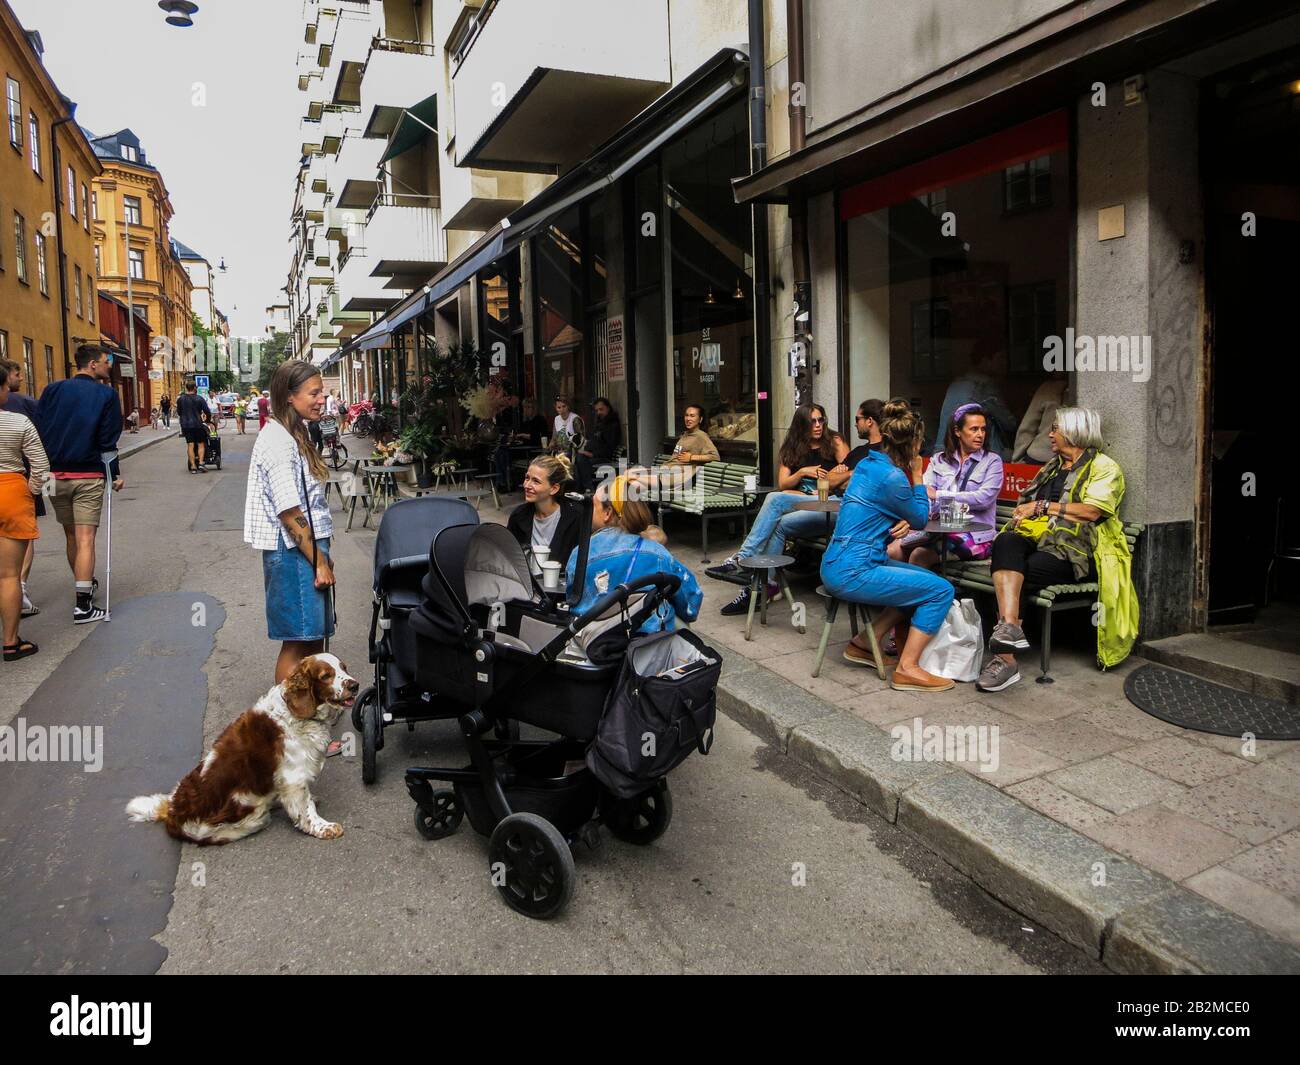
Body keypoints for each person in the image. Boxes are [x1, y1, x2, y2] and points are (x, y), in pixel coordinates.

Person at [977, 407, 1137, 693]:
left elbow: (1091, 512)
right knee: (1006, 544)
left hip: (1078, 552)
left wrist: (1042, 506)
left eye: (1055, 429)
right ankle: (1010, 630)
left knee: (1018, 571)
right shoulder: (1052, 467)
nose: (1049, 434)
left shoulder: (1104, 468)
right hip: (1042, 541)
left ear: (1074, 432)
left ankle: (1005, 658)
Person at [821, 400, 955, 690]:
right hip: (855, 569)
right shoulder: (893, 477)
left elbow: (887, 509)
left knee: (923, 583)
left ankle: (864, 643)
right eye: (920, 443)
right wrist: (918, 475)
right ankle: (908, 668)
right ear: (912, 444)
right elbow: (919, 518)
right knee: (940, 590)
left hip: (840, 560)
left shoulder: (869, 463)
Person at [243, 360, 336, 693]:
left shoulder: (291, 433)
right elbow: (289, 512)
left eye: (322, 392)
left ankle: (308, 723)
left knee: (311, 640)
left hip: (303, 550)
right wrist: (319, 561)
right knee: (298, 643)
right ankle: (294, 728)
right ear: (289, 396)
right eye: (314, 393)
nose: (322, 399)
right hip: (295, 551)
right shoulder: (280, 443)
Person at [706, 403, 848, 616]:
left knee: (774, 500)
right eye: (813, 421)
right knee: (778, 520)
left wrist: (827, 483)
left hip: (833, 506)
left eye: (821, 420)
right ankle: (768, 584)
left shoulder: (835, 442)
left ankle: (745, 561)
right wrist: (802, 473)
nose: (818, 425)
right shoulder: (792, 446)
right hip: (804, 504)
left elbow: (849, 477)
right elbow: (784, 483)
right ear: (801, 424)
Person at [35, 344, 123, 625]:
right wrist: (114, 475)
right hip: (87, 475)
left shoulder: (52, 390)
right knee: (86, 539)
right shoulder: (106, 395)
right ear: (93, 364)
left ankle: (84, 583)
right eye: (105, 361)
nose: (109, 366)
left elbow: (40, 427)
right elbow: (107, 440)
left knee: (71, 536)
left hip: (54, 475)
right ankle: (83, 605)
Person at [565, 474, 702, 633]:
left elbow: (573, 600)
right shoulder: (658, 553)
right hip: (648, 643)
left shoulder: (580, 553)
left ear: (608, 512)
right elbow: (691, 601)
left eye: (593, 505)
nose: (588, 511)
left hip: (595, 642)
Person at [890, 402, 1003, 570]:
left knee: (919, 555)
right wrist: (922, 512)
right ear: (957, 431)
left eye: (983, 429)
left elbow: (984, 499)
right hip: (937, 533)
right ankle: (897, 595)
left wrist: (939, 495)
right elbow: (926, 493)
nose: (980, 434)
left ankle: (932, 596)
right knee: (892, 550)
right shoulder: (939, 460)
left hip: (976, 537)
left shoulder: (992, 461)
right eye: (974, 429)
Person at [0, 363, 49, 660]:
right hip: (10, 491)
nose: (9, 390)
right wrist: (29, 490)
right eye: (6, 386)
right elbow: (41, 466)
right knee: (8, 575)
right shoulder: (19, 422)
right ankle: (10, 642)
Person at [931, 338, 1017, 457]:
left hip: (943, 451)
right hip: (977, 455)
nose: (1005, 363)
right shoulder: (984, 386)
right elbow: (1010, 423)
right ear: (985, 360)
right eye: (1001, 358)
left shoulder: (955, 384)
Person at [506, 454, 582, 566]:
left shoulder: (575, 517)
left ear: (554, 488)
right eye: (527, 478)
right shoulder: (518, 516)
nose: (527, 485)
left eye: (536, 481)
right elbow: (509, 557)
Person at [1012, 377, 1067, 464]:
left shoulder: (1049, 389)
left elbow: (1028, 426)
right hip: (1067, 458)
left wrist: (1017, 460)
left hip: (1040, 455)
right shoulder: (1079, 390)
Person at [575, 397, 621, 492]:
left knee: (581, 460)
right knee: (577, 459)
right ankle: (582, 488)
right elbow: (594, 441)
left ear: (608, 408)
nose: (599, 412)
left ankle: (588, 488)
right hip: (595, 455)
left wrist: (592, 454)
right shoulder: (599, 424)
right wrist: (587, 450)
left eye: (601, 409)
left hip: (604, 458)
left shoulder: (612, 425)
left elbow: (609, 447)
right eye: (597, 410)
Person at [176, 379, 209, 473]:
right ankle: (201, 463)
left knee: (190, 445)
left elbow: (179, 412)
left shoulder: (180, 399)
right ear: (195, 388)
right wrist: (208, 420)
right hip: (198, 424)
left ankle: (193, 466)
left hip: (186, 425)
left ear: (186, 388)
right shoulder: (199, 398)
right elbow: (207, 411)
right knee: (201, 444)